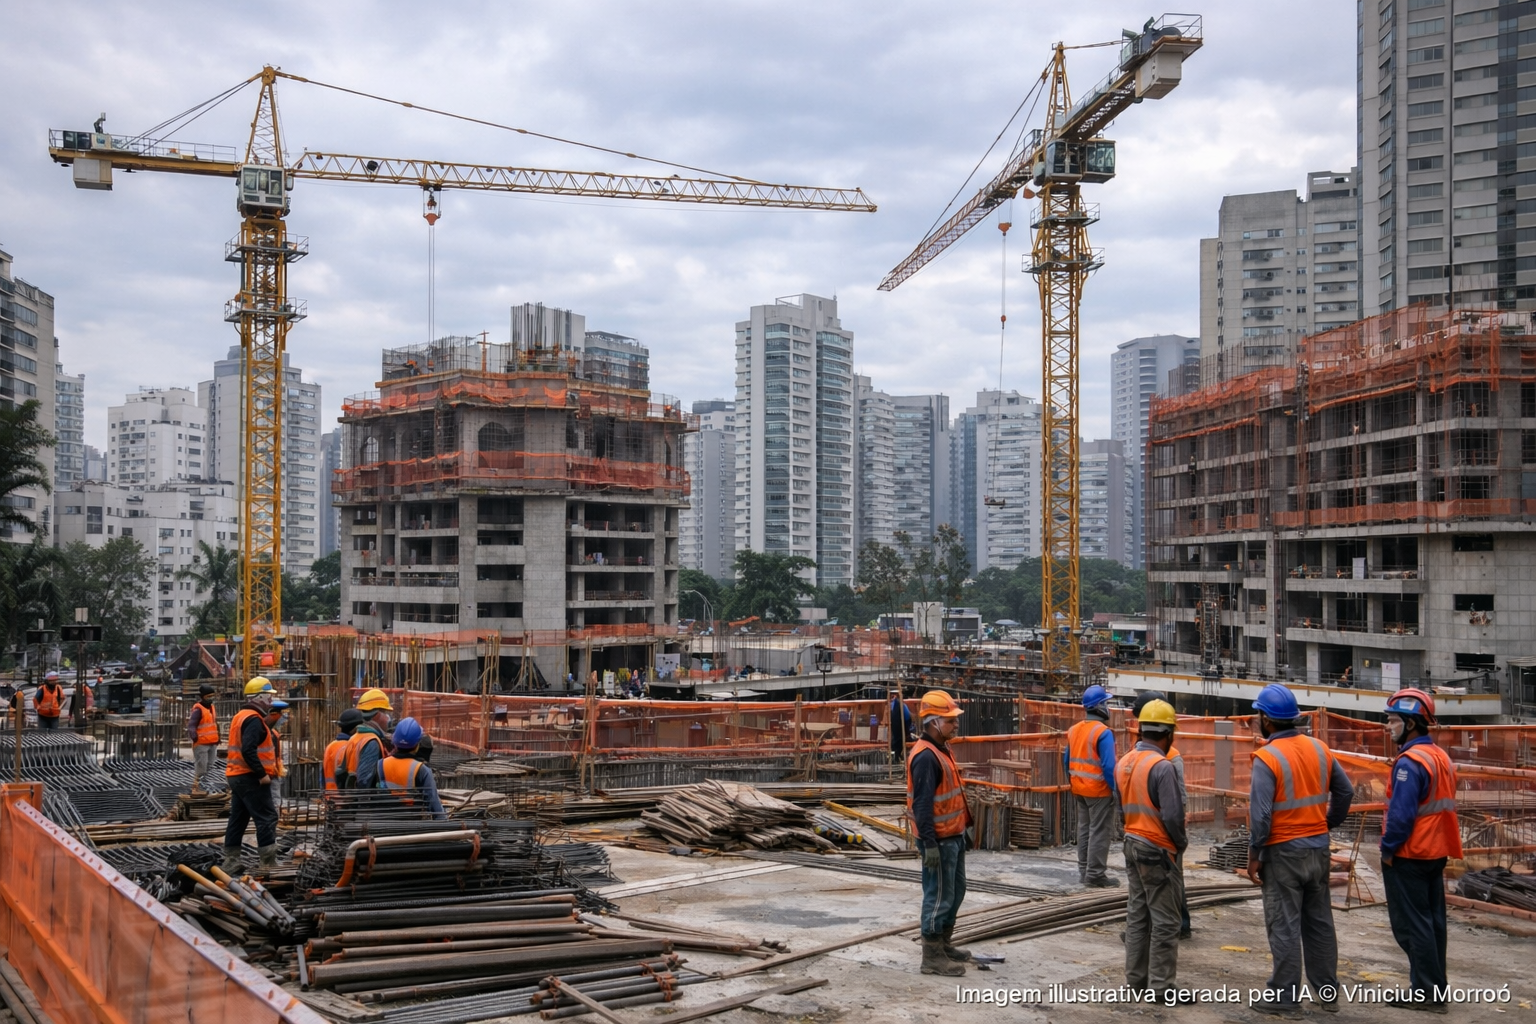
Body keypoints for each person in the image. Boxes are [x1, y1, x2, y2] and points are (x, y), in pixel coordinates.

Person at [1247, 683, 1354, 1018]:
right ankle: (1326, 993)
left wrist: (1254, 855)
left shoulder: (1267, 758)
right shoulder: (1319, 748)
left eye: (1257, 715)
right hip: (1317, 849)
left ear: (1266, 719)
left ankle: (1284, 995)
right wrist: (1326, 825)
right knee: (1320, 922)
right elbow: (1346, 791)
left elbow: (1262, 816)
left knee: (1284, 924)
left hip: (1283, 854)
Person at [1380, 688, 1460, 1014]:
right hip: (1436, 852)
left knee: (1412, 925)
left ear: (1412, 724)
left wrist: (1387, 849)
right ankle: (1433, 988)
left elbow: (1400, 816)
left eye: (1393, 720)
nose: (1388, 726)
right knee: (1432, 923)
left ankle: (1426, 992)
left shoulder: (1409, 763)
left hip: (1411, 854)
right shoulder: (1440, 757)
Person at [1119, 699, 1187, 1001]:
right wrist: (1180, 843)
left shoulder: (1125, 762)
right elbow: (1172, 816)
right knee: (1166, 921)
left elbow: (1122, 806)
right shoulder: (1162, 766)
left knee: (1137, 916)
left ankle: (1135, 982)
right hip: (1156, 849)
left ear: (1141, 730)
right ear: (1168, 734)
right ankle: (1161, 988)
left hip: (1131, 842)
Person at [906, 689, 972, 976]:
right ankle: (931, 955)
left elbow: (950, 796)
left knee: (956, 892)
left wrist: (962, 829)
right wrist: (930, 843)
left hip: (952, 836)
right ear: (933, 722)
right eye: (950, 720)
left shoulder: (941, 748)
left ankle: (944, 943)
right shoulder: (925, 757)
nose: (956, 725)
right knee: (939, 895)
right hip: (939, 840)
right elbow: (922, 806)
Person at [1132, 689, 1191, 938]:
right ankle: (1165, 926)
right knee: (1159, 883)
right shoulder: (1146, 753)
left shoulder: (1170, 758)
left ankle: (1182, 925)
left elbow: (1177, 801)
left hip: (1163, 831)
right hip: (1148, 831)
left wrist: (1178, 839)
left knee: (1174, 879)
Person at [222, 678, 282, 874]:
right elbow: (249, 750)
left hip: (237, 776)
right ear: (259, 697)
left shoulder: (241, 716)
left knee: (238, 818)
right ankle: (268, 862)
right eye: (268, 697)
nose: (270, 702)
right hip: (250, 777)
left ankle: (231, 860)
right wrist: (262, 774)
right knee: (267, 817)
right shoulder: (254, 720)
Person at [1065, 684, 1119, 887]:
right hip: (1098, 790)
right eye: (1106, 703)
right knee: (1099, 831)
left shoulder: (1074, 730)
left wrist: (1073, 782)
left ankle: (1084, 871)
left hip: (1079, 788)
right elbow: (1108, 766)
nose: (1108, 707)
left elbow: (1066, 760)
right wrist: (1115, 789)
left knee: (1085, 829)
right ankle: (1095, 874)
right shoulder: (1102, 732)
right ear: (1099, 706)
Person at [379, 716, 446, 819]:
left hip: (384, 821)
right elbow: (435, 807)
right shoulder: (421, 769)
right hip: (413, 824)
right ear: (417, 744)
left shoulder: (380, 765)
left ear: (395, 742)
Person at [344, 688, 394, 789]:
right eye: (385, 712)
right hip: (364, 802)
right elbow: (364, 782)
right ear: (377, 715)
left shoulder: (355, 737)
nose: (388, 717)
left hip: (352, 800)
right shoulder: (371, 742)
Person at [187, 684, 221, 794]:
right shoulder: (198, 709)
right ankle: (197, 788)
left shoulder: (212, 708)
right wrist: (194, 737)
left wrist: (218, 737)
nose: (211, 698)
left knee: (210, 766)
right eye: (208, 696)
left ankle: (205, 787)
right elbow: (192, 725)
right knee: (201, 767)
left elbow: (214, 724)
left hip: (212, 742)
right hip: (201, 743)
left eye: (212, 696)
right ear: (202, 697)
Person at [325, 709, 364, 791]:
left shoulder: (330, 746)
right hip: (344, 799)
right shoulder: (351, 747)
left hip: (330, 798)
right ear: (355, 729)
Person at [889, 691, 916, 758]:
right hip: (900, 731)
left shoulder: (892, 704)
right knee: (898, 745)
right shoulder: (901, 705)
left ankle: (896, 756)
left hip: (895, 732)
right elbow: (907, 718)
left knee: (895, 745)